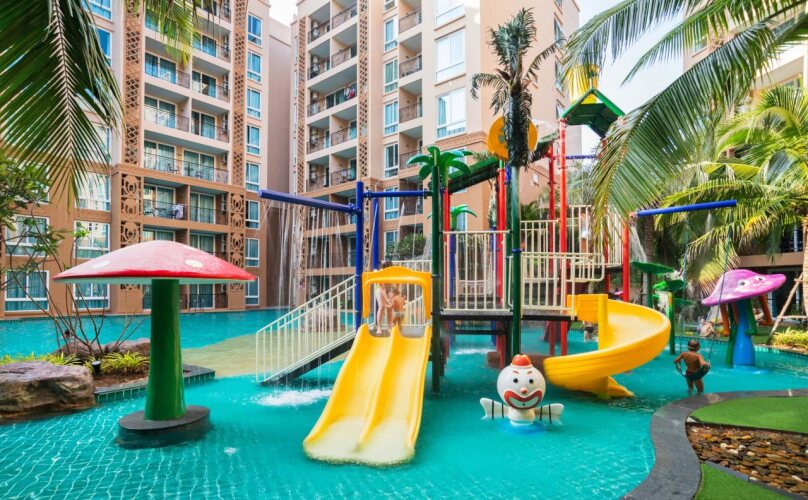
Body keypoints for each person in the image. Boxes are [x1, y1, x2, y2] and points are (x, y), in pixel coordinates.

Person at [374, 261, 393, 335]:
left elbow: (395, 284)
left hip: (389, 289)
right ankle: (379, 327)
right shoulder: (381, 272)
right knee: (382, 307)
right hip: (380, 289)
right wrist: (387, 299)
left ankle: (389, 327)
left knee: (390, 308)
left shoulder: (392, 272)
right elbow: (382, 289)